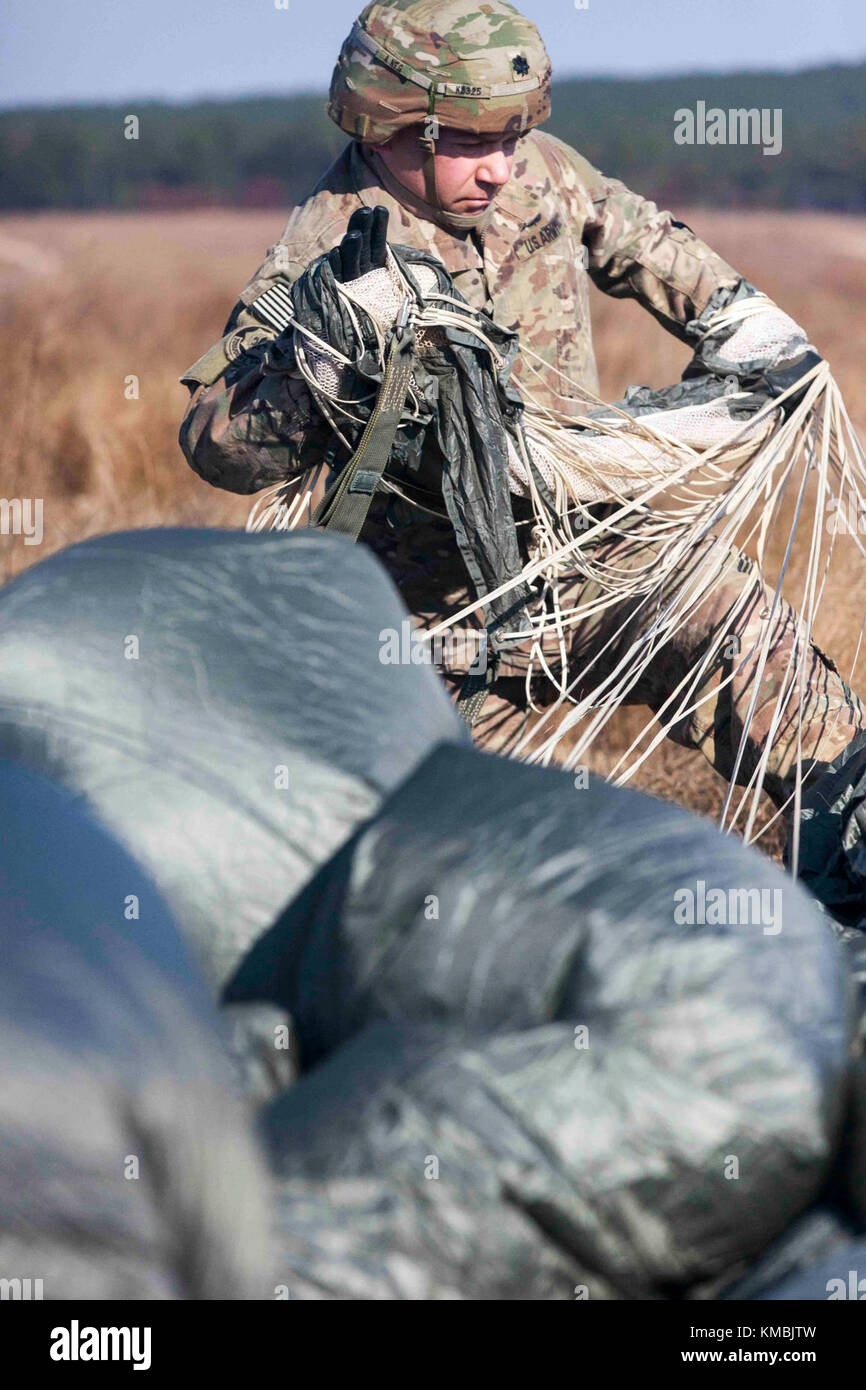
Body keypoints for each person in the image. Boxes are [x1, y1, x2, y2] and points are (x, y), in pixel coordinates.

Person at [179, 0, 862, 809]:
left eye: (512, 137)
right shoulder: (321, 258)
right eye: (470, 144)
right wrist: (315, 368)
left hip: (596, 567)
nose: (501, 168)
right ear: (384, 125)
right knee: (423, 866)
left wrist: (736, 314)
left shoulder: (537, 170)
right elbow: (214, 442)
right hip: (432, 634)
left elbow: (635, 235)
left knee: (790, 698)